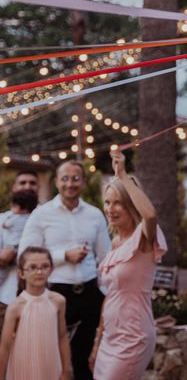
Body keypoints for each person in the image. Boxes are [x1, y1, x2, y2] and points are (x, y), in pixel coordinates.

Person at [18, 160, 111, 380]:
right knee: (52, 357)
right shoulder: (41, 214)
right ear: (57, 182)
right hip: (54, 292)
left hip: (89, 293)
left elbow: (106, 258)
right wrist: (62, 256)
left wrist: (107, 292)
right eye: (65, 178)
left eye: (76, 178)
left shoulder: (95, 214)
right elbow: (25, 254)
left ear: (83, 182)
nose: (70, 183)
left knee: (85, 359)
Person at [90, 150, 167, 379]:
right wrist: (98, 339)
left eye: (118, 203)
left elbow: (151, 215)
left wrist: (123, 175)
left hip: (134, 336)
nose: (110, 209)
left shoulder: (143, 240)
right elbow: (111, 295)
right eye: (107, 202)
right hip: (109, 337)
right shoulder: (115, 244)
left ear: (131, 206)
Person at [0, 246, 72, 380]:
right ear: (21, 273)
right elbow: (5, 346)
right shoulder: (15, 307)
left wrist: (66, 369)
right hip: (23, 368)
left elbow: (62, 337)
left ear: (51, 269)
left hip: (50, 365)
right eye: (32, 267)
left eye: (45, 266)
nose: (39, 272)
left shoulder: (58, 301)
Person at [0, 187, 39, 329]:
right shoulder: (5, 218)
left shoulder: (11, 219)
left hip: (29, 298)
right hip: (5, 297)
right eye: (23, 182)